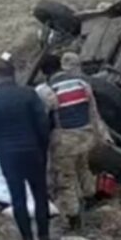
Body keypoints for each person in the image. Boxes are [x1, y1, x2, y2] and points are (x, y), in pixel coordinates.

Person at [0, 60, 53, 240]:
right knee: (40, 195)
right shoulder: (28, 94)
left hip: (8, 155)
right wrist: (42, 148)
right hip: (32, 150)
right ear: (14, 75)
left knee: (17, 197)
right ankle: (44, 238)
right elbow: (42, 124)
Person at [38, 52, 108, 229]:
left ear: (45, 73)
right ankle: (90, 198)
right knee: (83, 167)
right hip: (86, 136)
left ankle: (73, 217)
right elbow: (93, 112)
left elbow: (45, 118)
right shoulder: (81, 84)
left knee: (66, 179)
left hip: (65, 141)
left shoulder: (47, 90)